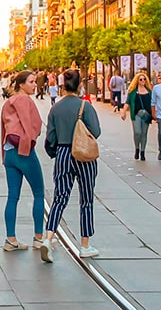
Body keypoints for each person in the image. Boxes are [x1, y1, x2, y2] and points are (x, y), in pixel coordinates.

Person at [43, 69, 101, 261]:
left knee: (60, 198)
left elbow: (50, 137)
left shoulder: (55, 108)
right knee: (86, 199)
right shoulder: (85, 105)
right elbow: (96, 131)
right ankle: (84, 245)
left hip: (63, 154)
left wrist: (56, 152)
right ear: (80, 85)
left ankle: (48, 237)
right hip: (83, 155)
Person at [0, 71, 45, 252]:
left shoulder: (7, 103)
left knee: (12, 196)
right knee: (39, 193)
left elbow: (4, 130)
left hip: (9, 152)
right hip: (23, 153)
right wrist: (28, 144)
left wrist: (4, 155)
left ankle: (10, 239)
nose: (35, 85)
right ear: (21, 84)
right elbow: (29, 126)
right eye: (32, 82)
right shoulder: (25, 100)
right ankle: (38, 238)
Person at [121, 72, 153, 161]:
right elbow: (127, 102)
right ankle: (137, 148)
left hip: (146, 115)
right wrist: (123, 112)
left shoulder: (149, 92)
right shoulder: (133, 92)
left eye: (144, 79)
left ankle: (142, 151)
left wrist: (154, 113)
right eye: (141, 79)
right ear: (137, 81)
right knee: (137, 132)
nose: (143, 81)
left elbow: (153, 103)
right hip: (136, 114)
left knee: (144, 133)